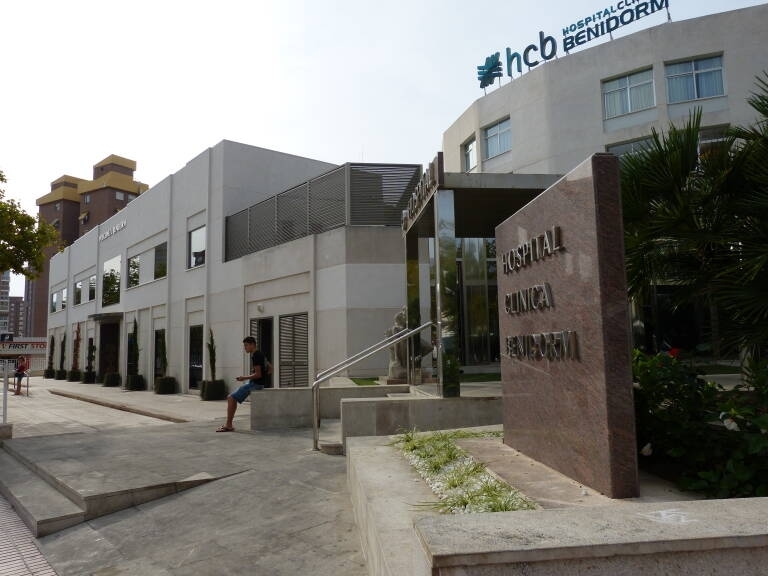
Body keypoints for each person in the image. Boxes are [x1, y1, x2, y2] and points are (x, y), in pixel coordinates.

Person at [216, 336, 266, 432]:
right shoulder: (260, 354)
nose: (245, 348)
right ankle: (229, 424)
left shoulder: (256, 355)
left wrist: (244, 378)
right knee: (232, 398)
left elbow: (258, 374)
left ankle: (228, 425)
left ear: (252, 344)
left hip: (256, 384)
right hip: (256, 383)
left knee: (231, 397)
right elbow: (270, 367)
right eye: (244, 346)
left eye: (246, 345)